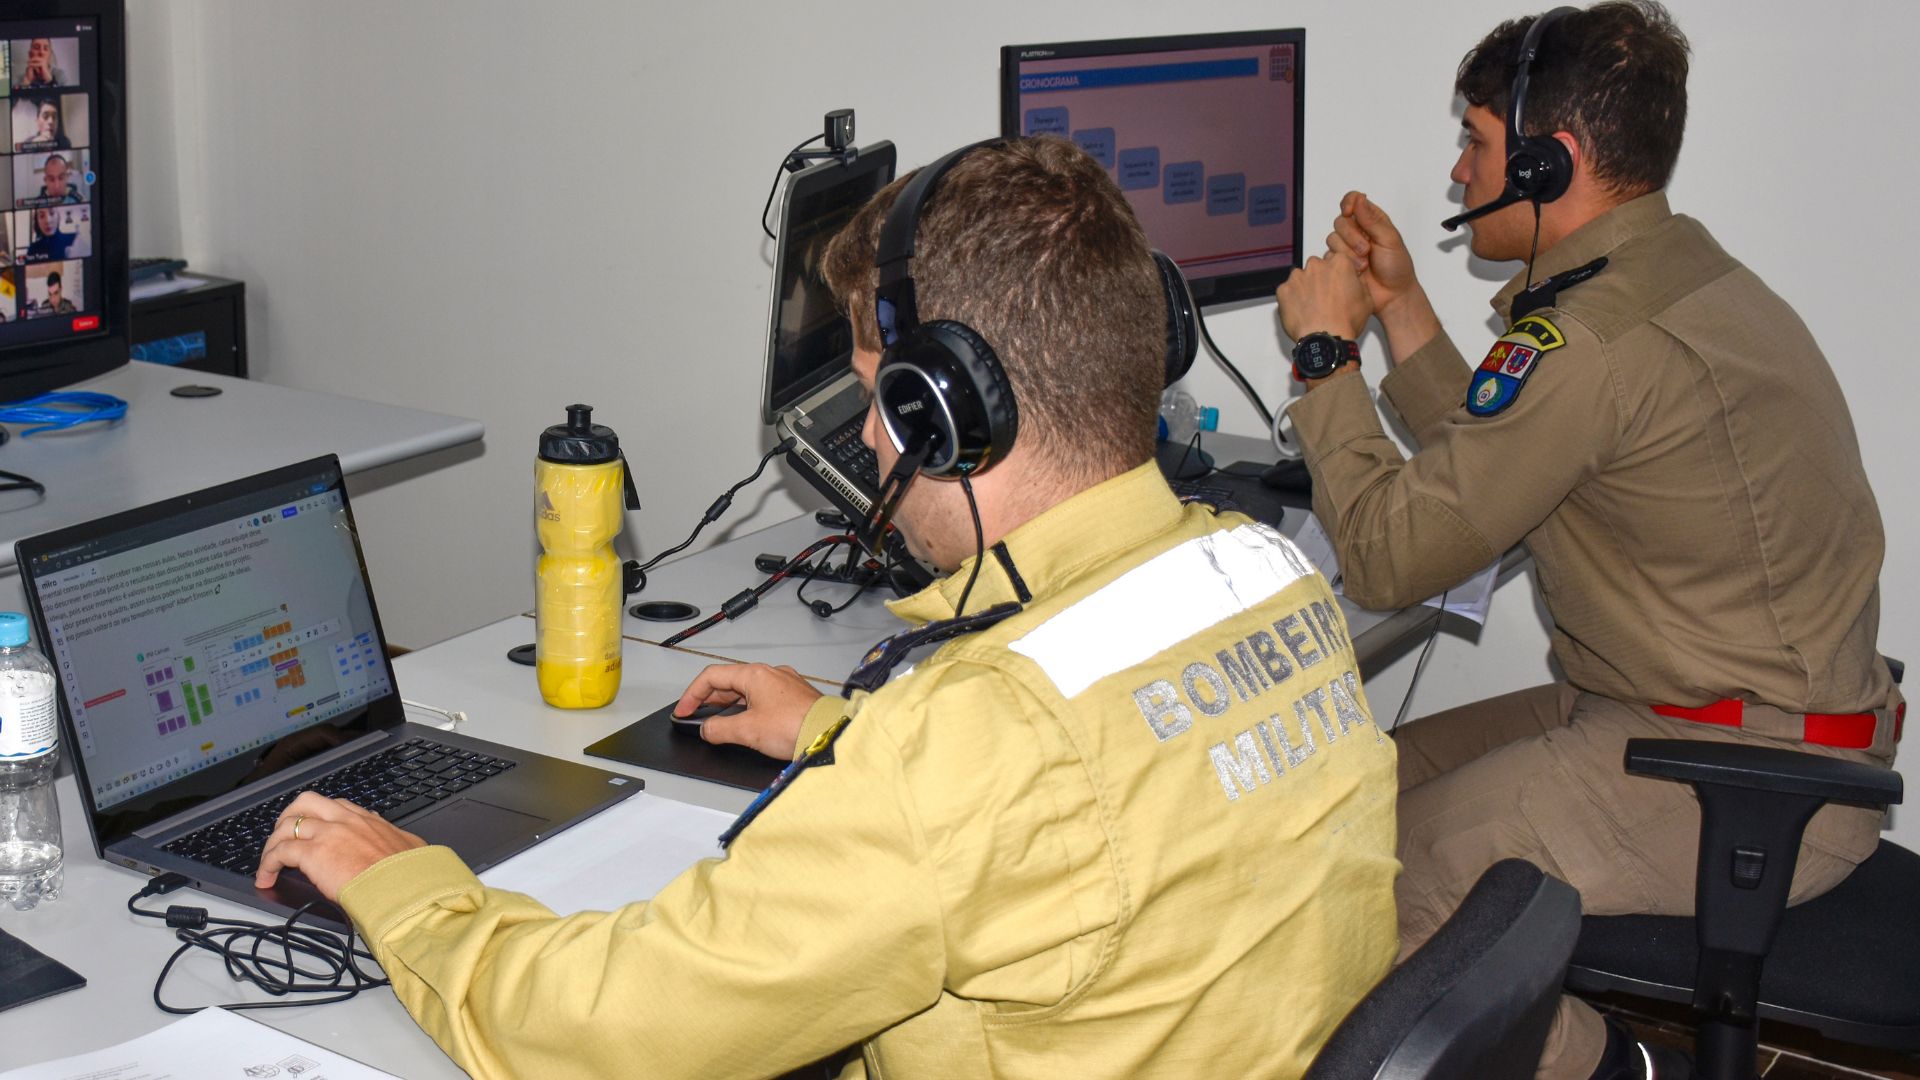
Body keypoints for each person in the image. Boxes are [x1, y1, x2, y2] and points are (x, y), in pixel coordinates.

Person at [254, 136, 1400, 1080]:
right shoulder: (1263, 572)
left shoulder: (967, 755)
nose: (869, 443)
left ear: (946, 413)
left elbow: (598, 1036)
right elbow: (1105, 791)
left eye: (873, 399)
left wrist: (401, 882)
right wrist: (842, 734)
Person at [1272, 4, 1898, 1079]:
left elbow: (1385, 557)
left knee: (1357, 901)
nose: (1458, 172)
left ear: (1546, 162)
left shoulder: (1595, 342)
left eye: (1474, 142)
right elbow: (1502, 455)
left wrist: (1327, 357)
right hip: (1698, 716)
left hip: (1741, 779)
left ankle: (1617, 1070)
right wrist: (1403, 308)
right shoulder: (1668, 277)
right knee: (1349, 795)